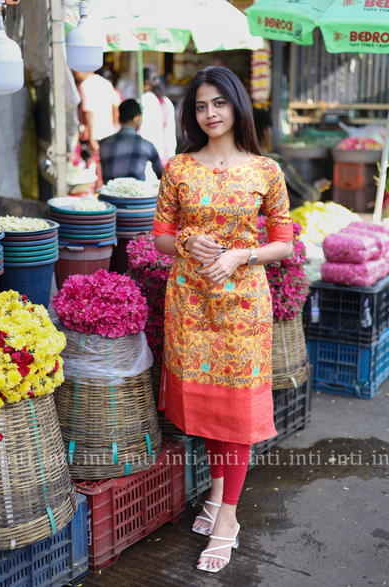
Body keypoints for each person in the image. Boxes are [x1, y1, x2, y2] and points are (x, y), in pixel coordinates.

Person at [152, 66, 294, 573]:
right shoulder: (179, 168)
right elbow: (161, 236)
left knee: (235, 412)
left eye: (219, 103)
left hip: (242, 308)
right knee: (210, 409)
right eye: (200, 106)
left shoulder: (265, 171)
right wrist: (188, 242)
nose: (210, 114)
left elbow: (284, 241)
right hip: (191, 303)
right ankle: (216, 497)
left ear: (237, 106)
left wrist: (242, 255)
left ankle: (227, 518)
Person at [252, 108, 331, 207]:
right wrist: (317, 187)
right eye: (270, 130)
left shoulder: (230, 160)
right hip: (263, 221)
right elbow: (309, 195)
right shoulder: (275, 163)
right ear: (264, 132)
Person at [99, 99, 163, 182]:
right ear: (137, 117)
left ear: (119, 119)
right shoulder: (147, 146)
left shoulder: (104, 144)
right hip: (137, 194)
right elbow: (162, 177)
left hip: (110, 193)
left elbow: (105, 179)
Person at [73, 71, 121, 157]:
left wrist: (91, 139)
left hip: (94, 136)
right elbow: (115, 108)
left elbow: (89, 112)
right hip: (108, 132)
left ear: (81, 71)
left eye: (75, 75)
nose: (75, 78)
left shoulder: (85, 86)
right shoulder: (106, 83)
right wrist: (113, 126)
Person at [141, 68, 177, 166]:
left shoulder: (144, 100)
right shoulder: (166, 101)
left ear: (146, 83)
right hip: (166, 151)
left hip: (149, 152)